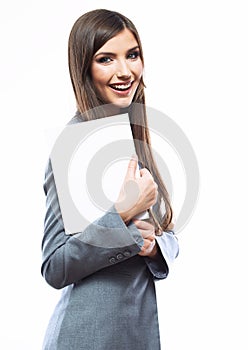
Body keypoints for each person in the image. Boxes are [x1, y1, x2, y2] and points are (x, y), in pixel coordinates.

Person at [41, 9, 179, 350]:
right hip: (87, 337)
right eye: (106, 59)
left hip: (135, 335)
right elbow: (54, 266)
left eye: (132, 55)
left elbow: (167, 233)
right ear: (84, 68)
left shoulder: (133, 140)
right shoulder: (72, 147)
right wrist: (119, 214)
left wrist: (153, 247)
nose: (124, 71)